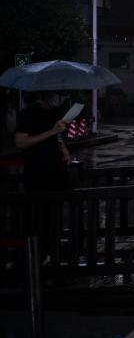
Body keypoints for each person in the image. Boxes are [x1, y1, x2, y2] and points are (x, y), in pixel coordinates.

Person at [15, 91, 72, 263]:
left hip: (56, 174)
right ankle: (33, 258)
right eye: (57, 93)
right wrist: (51, 131)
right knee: (35, 220)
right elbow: (21, 142)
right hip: (37, 175)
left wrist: (64, 150)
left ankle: (51, 255)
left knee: (53, 219)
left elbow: (58, 138)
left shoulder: (55, 113)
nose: (60, 97)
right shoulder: (28, 113)